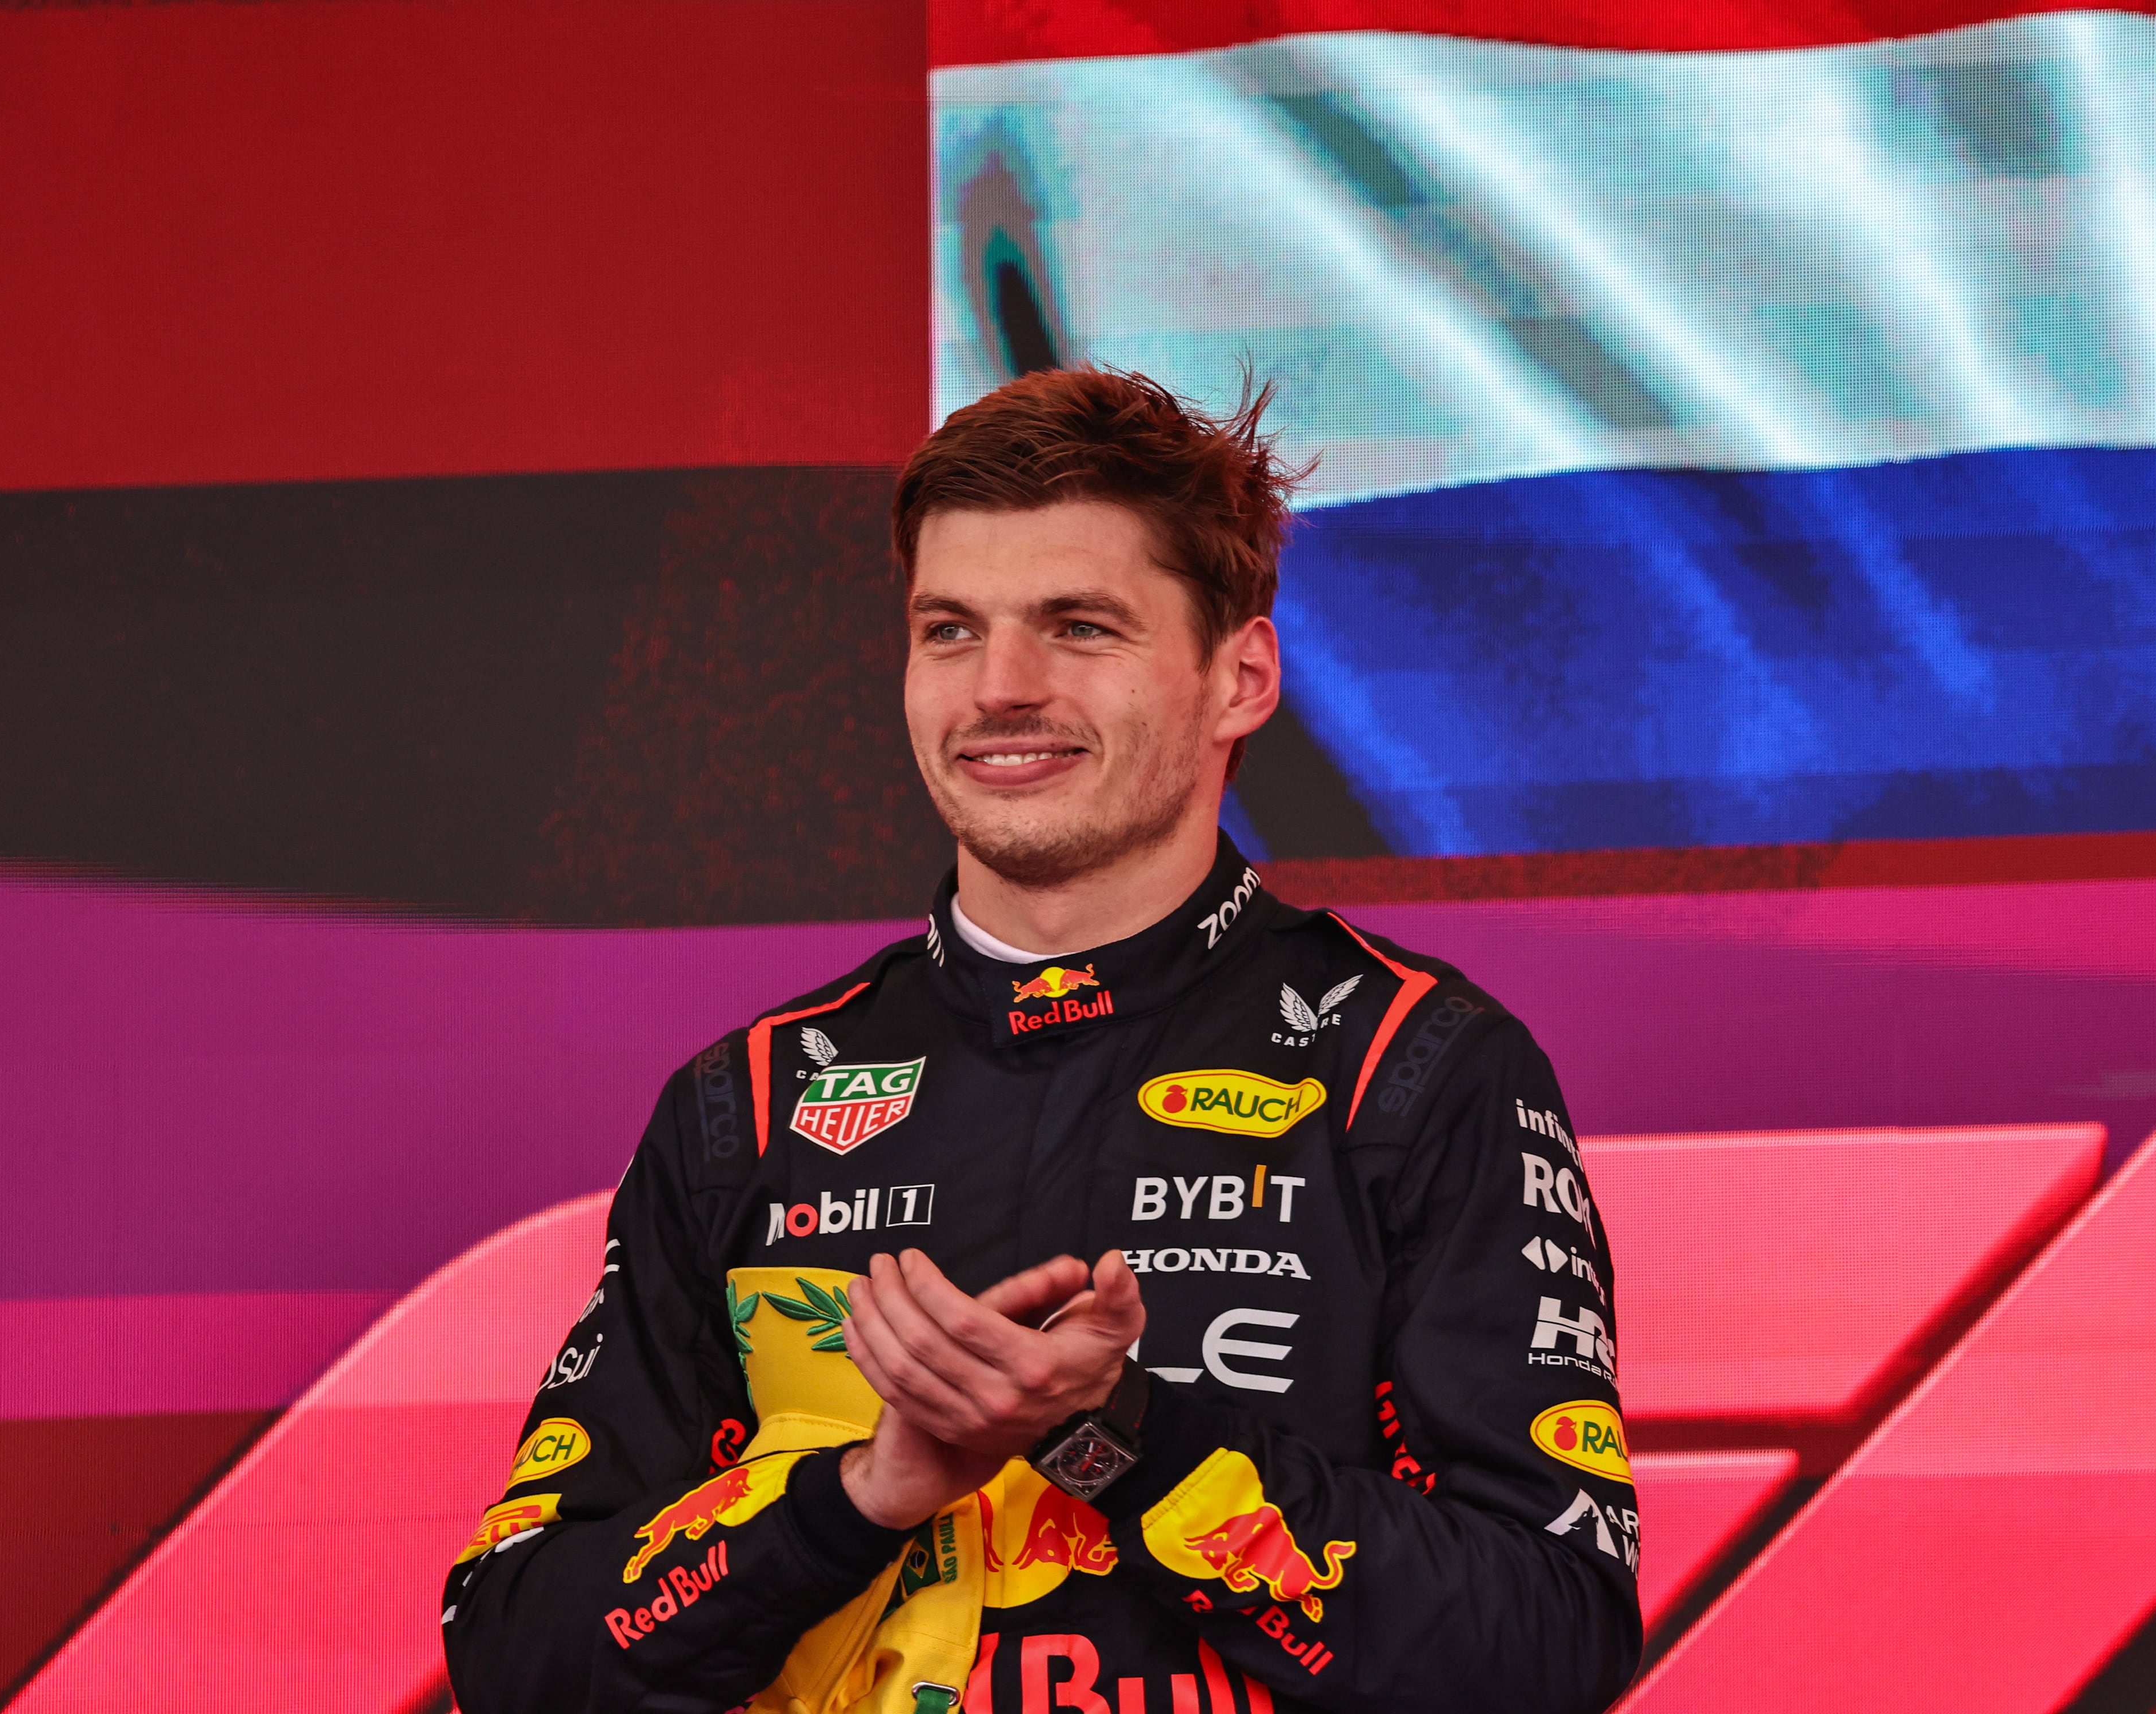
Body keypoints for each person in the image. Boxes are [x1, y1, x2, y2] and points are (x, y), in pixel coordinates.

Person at [441, 369, 1643, 1714]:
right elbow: (514, 1657)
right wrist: (862, 1494)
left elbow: (1548, 1649)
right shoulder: (755, 1104)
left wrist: (1115, 1436)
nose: (1001, 688)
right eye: (950, 629)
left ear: (1239, 677)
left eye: (1079, 626)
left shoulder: (1411, 1065)